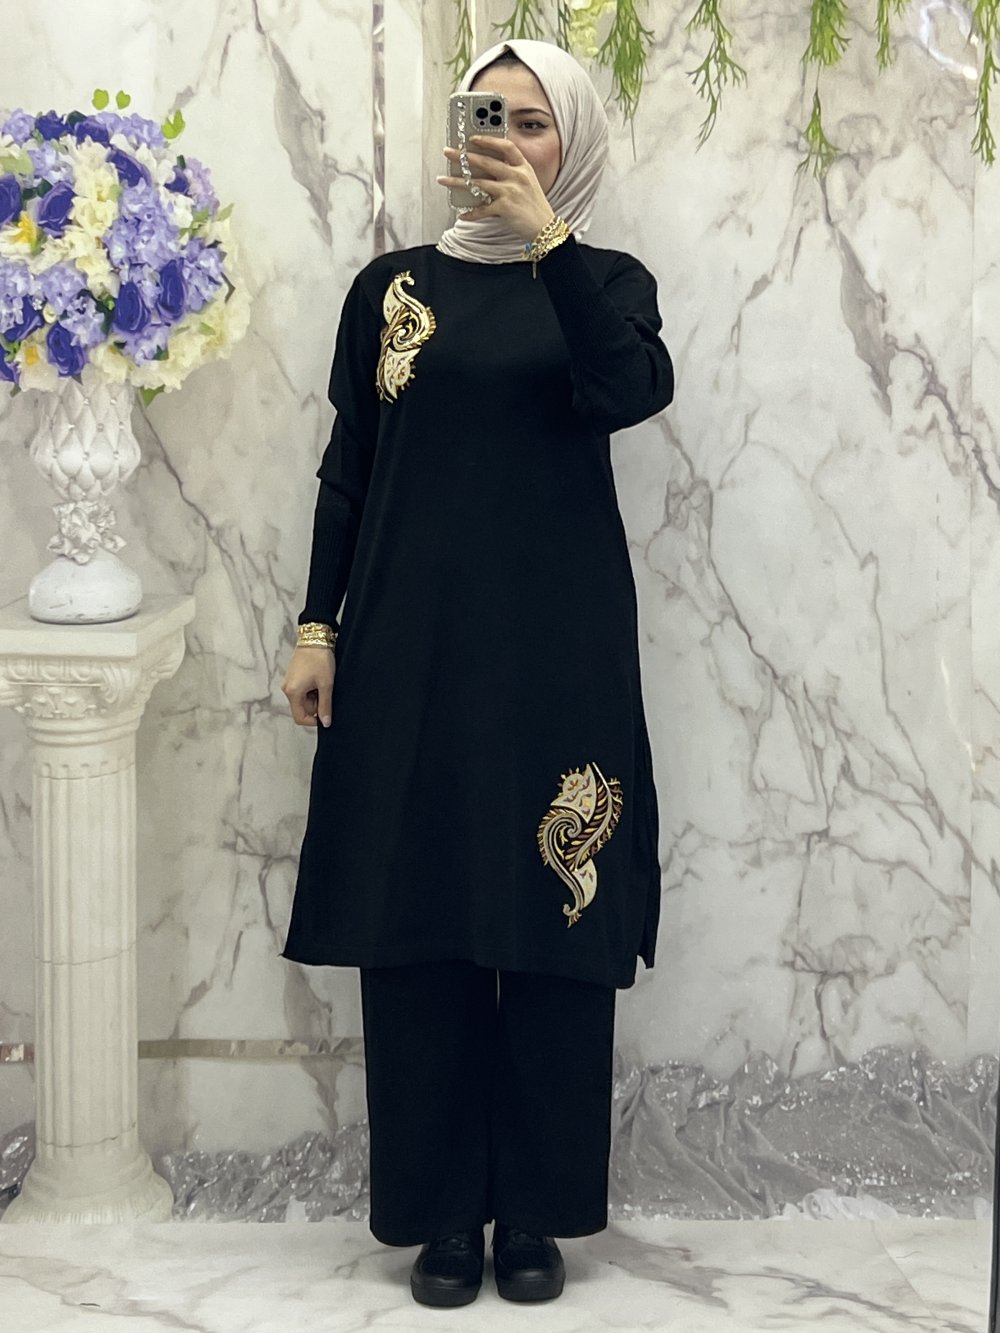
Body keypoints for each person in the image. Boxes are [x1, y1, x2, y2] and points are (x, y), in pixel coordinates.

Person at [279, 36, 674, 1308]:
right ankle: (442, 1212)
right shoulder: (390, 287)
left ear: (574, 142)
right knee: (421, 913)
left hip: (559, 650)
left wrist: (546, 239)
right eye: (484, 114)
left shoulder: (606, 282)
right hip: (409, 645)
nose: (502, 137)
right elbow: (351, 462)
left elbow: (629, 390)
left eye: (532, 119)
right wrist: (317, 623)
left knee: (556, 911)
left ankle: (537, 1213)